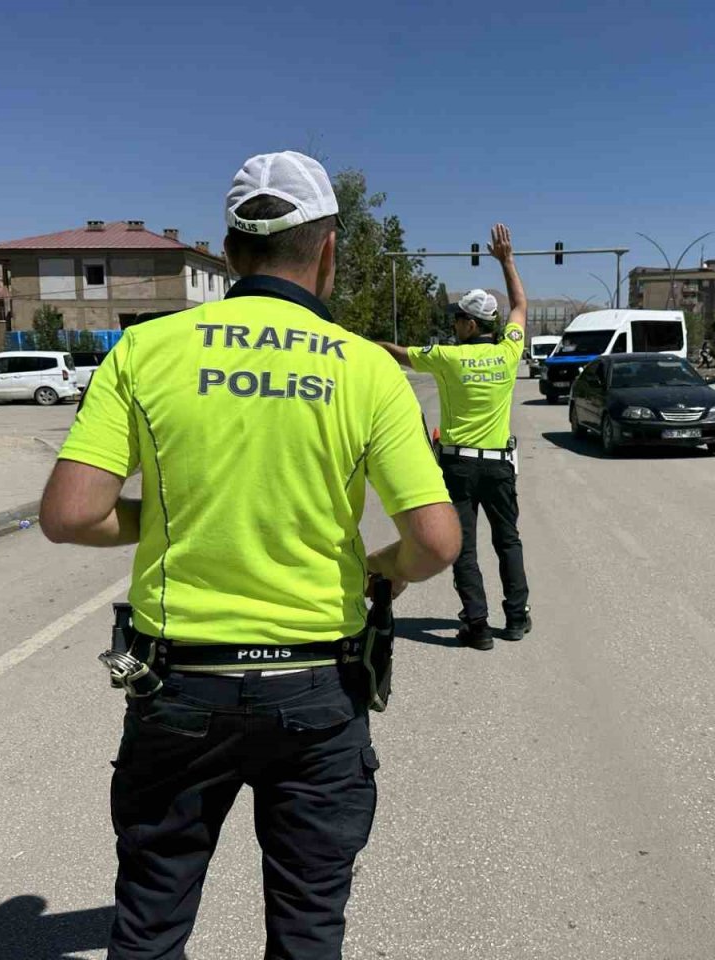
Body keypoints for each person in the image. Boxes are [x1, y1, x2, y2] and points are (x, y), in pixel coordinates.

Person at [40, 150, 460, 960]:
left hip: (180, 687)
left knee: (152, 916)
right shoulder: (369, 369)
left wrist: (164, 519)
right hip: (315, 689)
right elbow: (437, 542)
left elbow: (70, 515)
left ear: (228, 252)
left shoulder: (146, 351)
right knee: (307, 925)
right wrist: (382, 569)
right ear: (329, 250)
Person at [377, 224, 531, 651]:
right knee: (508, 541)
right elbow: (519, 304)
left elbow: (401, 354)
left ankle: (478, 626)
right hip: (500, 464)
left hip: (459, 466)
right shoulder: (508, 351)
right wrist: (508, 261)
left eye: (457, 319)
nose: (454, 325)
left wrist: (364, 342)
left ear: (468, 324)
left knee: (464, 548)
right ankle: (516, 618)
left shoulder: (447, 358)